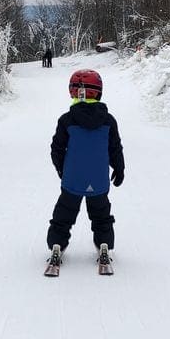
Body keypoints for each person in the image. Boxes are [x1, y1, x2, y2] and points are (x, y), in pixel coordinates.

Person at [46, 69, 124, 272]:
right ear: (98, 92)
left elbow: (56, 149)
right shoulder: (108, 121)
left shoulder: (66, 120)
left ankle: (56, 244)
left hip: (73, 178)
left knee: (63, 215)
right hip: (98, 179)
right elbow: (115, 147)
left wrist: (63, 170)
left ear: (73, 92)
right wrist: (119, 168)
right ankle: (104, 244)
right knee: (101, 215)